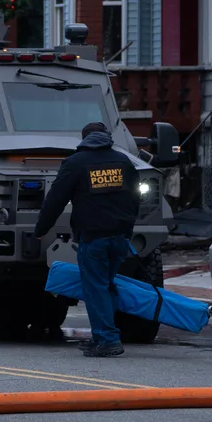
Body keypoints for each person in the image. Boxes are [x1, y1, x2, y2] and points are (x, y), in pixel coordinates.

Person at [33, 122, 140, 357]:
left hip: (94, 239)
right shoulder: (123, 161)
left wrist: (41, 228)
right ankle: (103, 335)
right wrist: (128, 230)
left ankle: (108, 339)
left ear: (84, 139)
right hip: (120, 238)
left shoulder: (75, 163)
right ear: (106, 137)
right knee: (107, 286)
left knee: (96, 289)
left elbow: (56, 199)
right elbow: (136, 198)